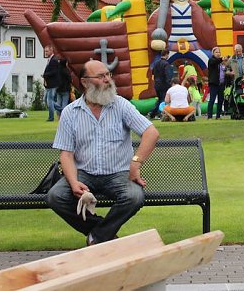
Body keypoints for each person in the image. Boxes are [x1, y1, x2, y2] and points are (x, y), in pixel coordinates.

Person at [47, 60, 160, 245]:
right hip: (84, 174)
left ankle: (97, 237)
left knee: (134, 197)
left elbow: (151, 132)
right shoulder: (70, 112)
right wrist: (74, 182)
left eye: (108, 75)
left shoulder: (121, 105)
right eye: (101, 76)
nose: (108, 80)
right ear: (85, 82)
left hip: (118, 174)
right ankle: (103, 233)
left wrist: (136, 163)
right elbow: (66, 154)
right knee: (55, 196)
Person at [42, 45, 71, 121]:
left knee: (50, 100)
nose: (45, 53)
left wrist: (45, 75)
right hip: (50, 84)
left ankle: (52, 117)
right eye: (45, 51)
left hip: (53, 84)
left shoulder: (54, 60)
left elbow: (54, 72)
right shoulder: (51, 60)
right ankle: (62, 110)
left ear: (51, 51)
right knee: (47, 100)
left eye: (47, 51)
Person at [147, 49, 174, 119]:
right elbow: (168, 75)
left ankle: (151, 113)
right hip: (164, 84)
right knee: (163, 100)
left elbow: (152, 72)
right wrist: (170, 84)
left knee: (159, 99)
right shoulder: (166, 64)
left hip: (156, 84)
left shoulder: (156, 63)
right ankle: (159, 114)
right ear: (167, 54)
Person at [206, 47, 226, 120]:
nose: (218, 54)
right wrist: (221, 59)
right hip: (214, 83)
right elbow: (214, 62)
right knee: (212, 99)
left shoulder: (221, 63)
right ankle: (209, 116)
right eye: (216, 52)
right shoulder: (211, 60)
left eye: (219, 52)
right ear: (213, 53)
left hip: (221, 83)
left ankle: (218, 115)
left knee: (221, 100)